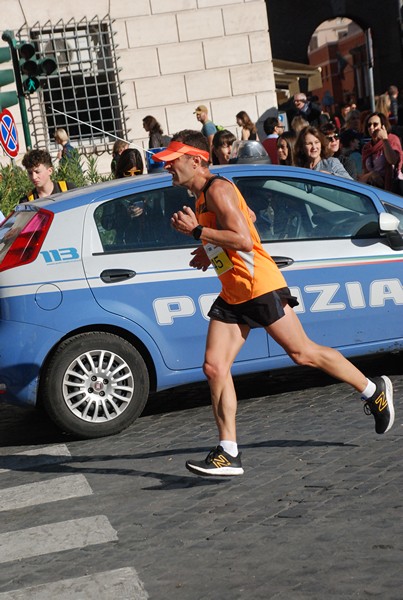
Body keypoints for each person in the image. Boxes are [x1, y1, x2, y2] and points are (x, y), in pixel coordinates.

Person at [151, 129, 395, 477]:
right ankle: (228, 451)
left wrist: (198, 234)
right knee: (214, 367)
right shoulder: (206, 196)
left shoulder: (217, 189)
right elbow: (247, 219)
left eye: (172, 162)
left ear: (196, 159)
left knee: (303, 353)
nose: (168, 169)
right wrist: (210, 251)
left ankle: (373, 390)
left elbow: (244, 241)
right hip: (234, 291)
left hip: (259, 286)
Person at [360, 112, 403, 192]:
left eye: (375, 124)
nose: (371, 127)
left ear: (383, 126)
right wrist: (372, 175)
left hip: (392, 188)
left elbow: (392, 160)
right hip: (373, 190)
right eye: (369, 125)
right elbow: (363, 175)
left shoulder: (392, 140)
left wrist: (385, 140)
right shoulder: (367, 148)